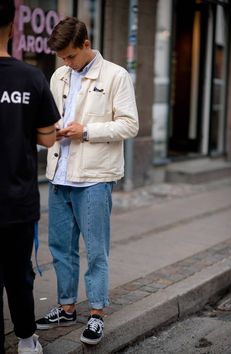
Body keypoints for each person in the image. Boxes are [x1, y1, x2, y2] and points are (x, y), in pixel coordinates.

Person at [35, 16, 139, 345]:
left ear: (86, 44)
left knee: (95, 250)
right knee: (61, 249)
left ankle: (96, 313)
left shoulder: (116, 76)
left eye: (70, 56)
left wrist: (87, 131)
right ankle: (66, 307)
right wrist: (51, 132)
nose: (66, 63)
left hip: (95, 178)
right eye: (62, 58)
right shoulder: (58, 76)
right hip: (59, 175)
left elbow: (129, 125)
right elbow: (51, 120)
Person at [0, 1, 61, 353]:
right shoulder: (31, 77)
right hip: (18, 201)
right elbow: (48, 137)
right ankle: (26, 340)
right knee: (19, 276)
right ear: (12, 27)